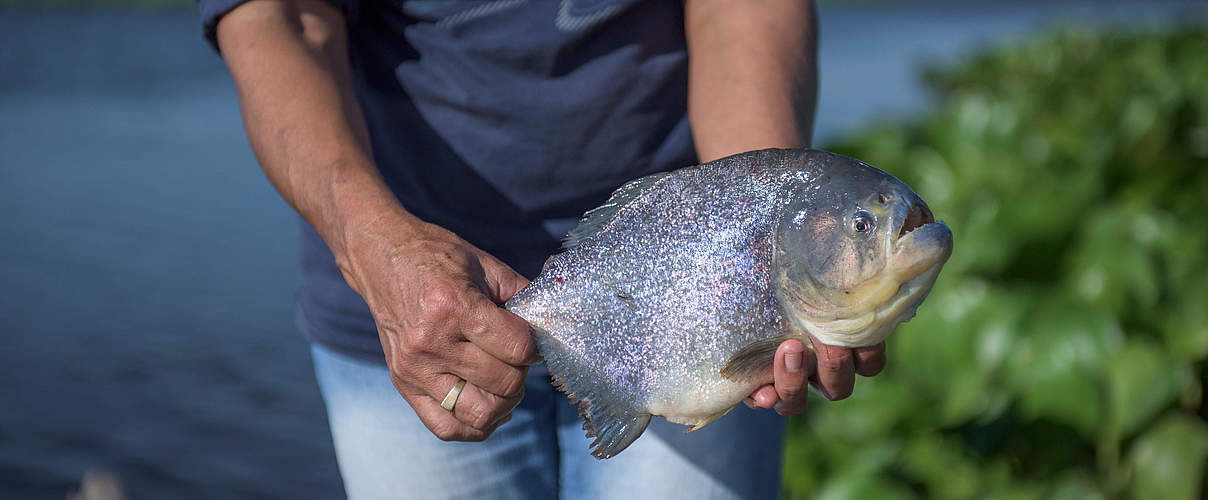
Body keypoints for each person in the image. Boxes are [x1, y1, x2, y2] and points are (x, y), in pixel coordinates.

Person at [202, 0, 888, 498]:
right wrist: (374, 245)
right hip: (403, 300)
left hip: (690, 301)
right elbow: (279, 17)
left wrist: (754, 238)